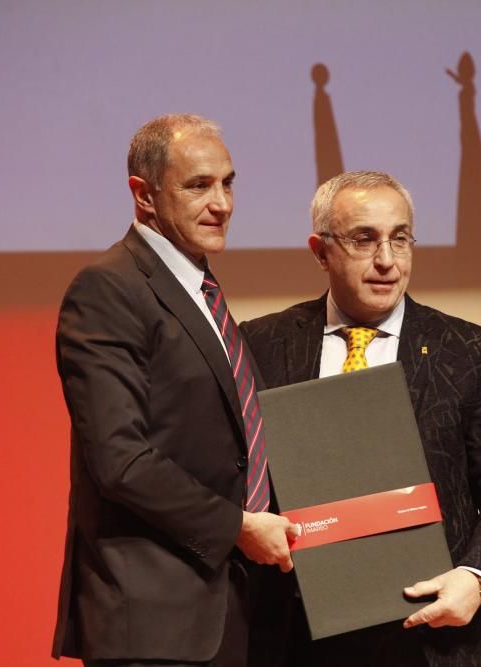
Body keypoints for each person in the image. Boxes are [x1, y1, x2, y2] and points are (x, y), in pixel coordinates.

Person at [240, 171, 481, 667]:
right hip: (297, 637)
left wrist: (477, 577)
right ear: (320, 251)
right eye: (364, 239)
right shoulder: (263, 344)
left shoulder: (467, 351)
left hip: (431, 635)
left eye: (400, 240)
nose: (387, 261)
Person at [51, 114, 297, 667]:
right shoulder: (108, 289)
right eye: (198, 185)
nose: (223, 204)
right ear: (143, 196)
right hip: (155, 625)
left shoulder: (199, 289)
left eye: (228, 183)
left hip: (230, 612)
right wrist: (237, 527)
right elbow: (120, 459)